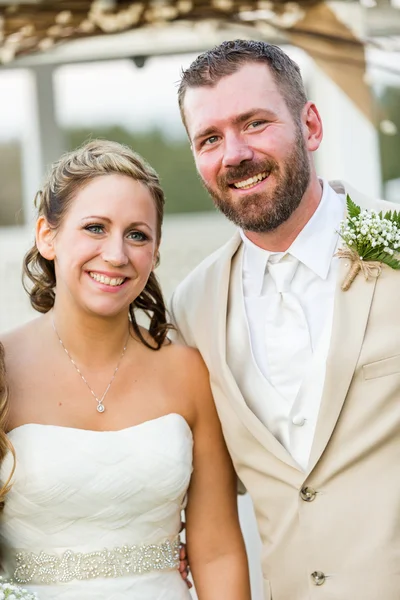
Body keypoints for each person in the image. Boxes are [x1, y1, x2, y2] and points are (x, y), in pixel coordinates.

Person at [170, 39, 400, 600]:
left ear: (311, 126)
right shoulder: (192, 304)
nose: (234, 154)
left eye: (254, 123)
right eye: (210, 138)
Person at [0, 140, 251, 600]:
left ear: (154, 253)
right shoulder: (2, 371)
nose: (116, 254)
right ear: (46, 236)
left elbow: (216, 551)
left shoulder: (188, 372)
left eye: (137, 234)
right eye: (95, 228)